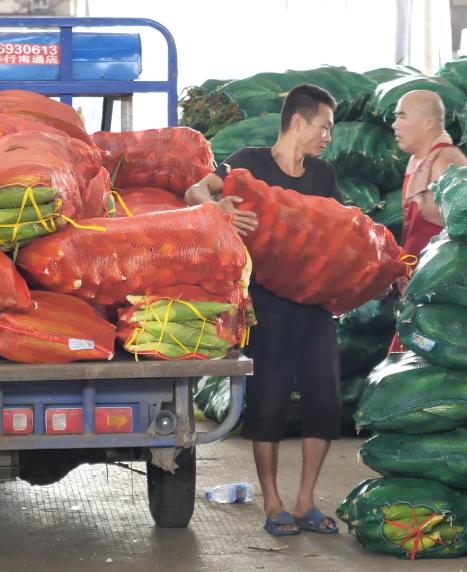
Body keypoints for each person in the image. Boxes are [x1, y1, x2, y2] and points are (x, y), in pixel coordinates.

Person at [185, 84, 342, 537]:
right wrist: (217, 208)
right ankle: (272, 502)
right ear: (298, 122)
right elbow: (195, 190)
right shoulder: (249, 163)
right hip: (266, 304)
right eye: (324, 127)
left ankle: (306, 501)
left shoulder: (323, 175)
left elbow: (342, 227)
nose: (327, 137)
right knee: (268, 401)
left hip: (314, 303)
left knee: (324, 398)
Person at [388, 90, 467, 353]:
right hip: (418, 290)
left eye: (402, 117)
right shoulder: (417, 162)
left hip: (441, 300)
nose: (395, 125)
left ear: (427, 123)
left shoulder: (447, 162)